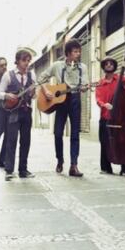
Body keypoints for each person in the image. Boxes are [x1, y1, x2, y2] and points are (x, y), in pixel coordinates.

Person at [38, 39, 89, 177]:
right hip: (60, 100)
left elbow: (84, 84)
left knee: (75, 134)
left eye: (79, 51)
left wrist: (84, 88)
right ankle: (60, 160)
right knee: (58, 133)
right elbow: (41, 78)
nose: (78, 54)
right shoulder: (57, 65)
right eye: (75, 51)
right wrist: (46, 91)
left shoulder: (82, 67)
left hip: (75, 100)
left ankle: (74, 165)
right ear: (68, 53)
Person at [0, 50, 36, 181]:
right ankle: (9, 170)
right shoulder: (8, 75)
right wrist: (8, 95)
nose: (27, 63)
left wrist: (32, 92)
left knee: (26, 141)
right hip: (13, 112)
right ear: (18, 61)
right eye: (24, 60)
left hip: (27, 112)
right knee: (11, 140)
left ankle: (23, 170)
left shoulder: (32, 75)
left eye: (28, 61)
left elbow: (34, 96)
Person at [95, 56, 125, 175]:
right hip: (106, 117)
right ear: (103, 67)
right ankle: (106, 168)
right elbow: (98, 99)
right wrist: (104, 104)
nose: (108, 65)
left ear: (114, 66)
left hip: (120, 118)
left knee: (123, 141)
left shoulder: (119, 79)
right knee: (104, 142)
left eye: (111, 63)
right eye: (106, 64)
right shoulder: (100, 83)